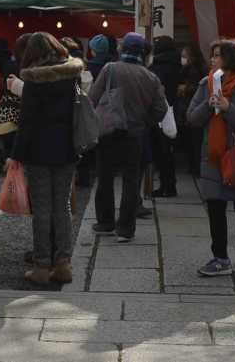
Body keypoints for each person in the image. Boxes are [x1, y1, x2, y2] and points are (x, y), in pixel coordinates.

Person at [185, 39, 235, 276]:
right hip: (214, 155)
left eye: (217, 55)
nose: (212, 59)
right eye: (212, 55)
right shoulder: (206, 84)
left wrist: (229, 108)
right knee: (216, 207)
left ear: (231, 58)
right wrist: (209, 106)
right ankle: (220, 257)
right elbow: (191, 118)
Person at [11, 32, 83, 286]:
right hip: (67, 149)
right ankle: (63, 264)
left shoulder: (34, 80)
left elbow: (26, 123)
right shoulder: (71, 76)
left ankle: (41, 266)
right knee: (62, 207)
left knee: (41, 209)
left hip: (38, 153)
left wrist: (15, 155)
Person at [88, 32, 169, 242]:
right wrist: (145, 121)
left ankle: (105, 223)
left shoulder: (110, 69)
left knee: (105, 177)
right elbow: (161, 109)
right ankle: (125, 229)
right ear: (144, 53)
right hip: (135, 133)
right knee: (131, 180)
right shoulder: (151, 77)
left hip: (108, 131)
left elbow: (92, 98)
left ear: (123, 50)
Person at [148, 35, 182, 197]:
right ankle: (170, 184)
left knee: (161, 152)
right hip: (174, 108)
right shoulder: (177, 64)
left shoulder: (157, 66)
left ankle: (166, 186)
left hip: (160, 111)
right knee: (168, 150)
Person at [177, 45, 207, 176]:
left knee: (194, 141)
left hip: (192, 108)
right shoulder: (197, 69)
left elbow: (197, 89)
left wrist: (186, 88)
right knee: (194, 141)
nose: (182, 59)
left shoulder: (193, 70)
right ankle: (195, 166)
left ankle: (195, 167)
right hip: (193, 109)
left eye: (185, 56)